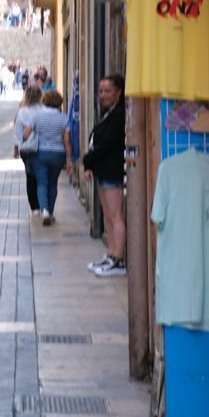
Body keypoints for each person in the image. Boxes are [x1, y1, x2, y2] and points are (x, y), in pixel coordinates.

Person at [82, 73, 128, 277]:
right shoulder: (108, 113)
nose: (103, 95)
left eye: (107, 90)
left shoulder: (119, 115)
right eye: (101, 91)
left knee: (116, 215)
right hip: (103, 169)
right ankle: (111, 254)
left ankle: (118, 258)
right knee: (108, 215)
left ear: (118, 91)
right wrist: (90, 164)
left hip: (112, 169)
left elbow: (106, 144)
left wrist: (87, 160)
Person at [23, 88, 74, 225]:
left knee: (41, 183)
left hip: (40, 154)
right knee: (52, 183)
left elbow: (26, 134)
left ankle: (44, 210)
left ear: (44, 101)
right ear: (59, 103)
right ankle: (50, 212)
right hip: (58, 154)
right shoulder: (64, 118)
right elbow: (67, 141)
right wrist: (69, 159)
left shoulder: (37, 116)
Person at [14, 84, 43, 215]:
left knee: (30, 176)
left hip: (26, 148)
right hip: (41, 146)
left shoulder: (21, 112)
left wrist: (16, 148)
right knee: (41, 176)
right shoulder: (43, 109)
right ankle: (43, 203)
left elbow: (18, 131)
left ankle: (34, 207)